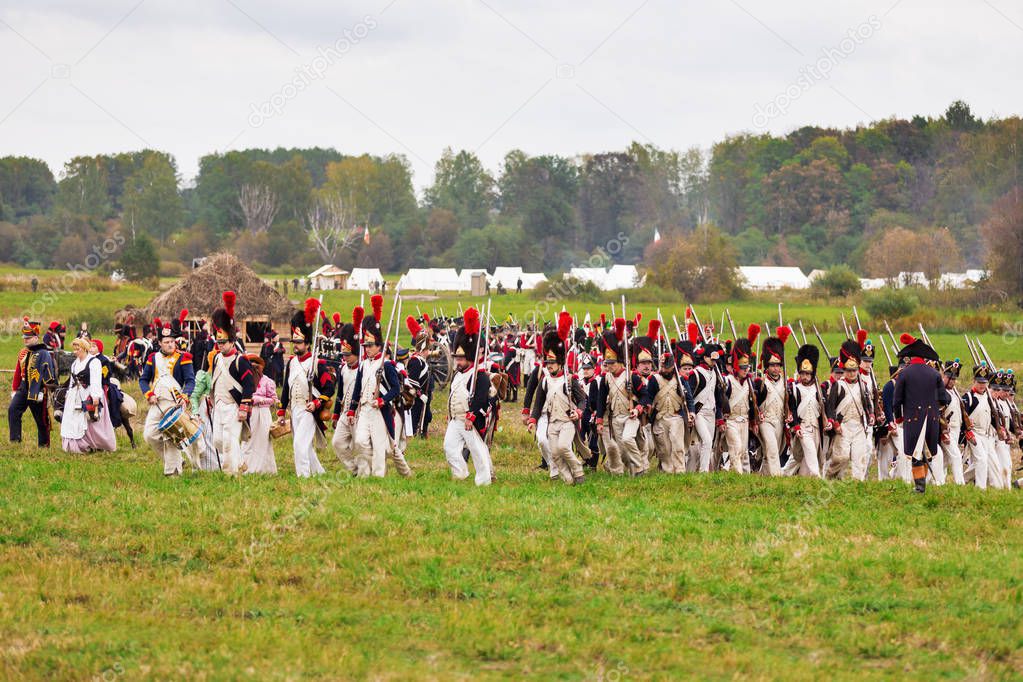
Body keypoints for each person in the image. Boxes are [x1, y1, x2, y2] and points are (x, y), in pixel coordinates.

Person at [347, 295, 412, 478]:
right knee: (360, 442)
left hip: (379, 411)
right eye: (365, 345)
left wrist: (383, 400)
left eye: (370, 345)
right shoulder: (363, 364)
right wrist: (352, 410)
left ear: (379, 345)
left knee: (379, 446)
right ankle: (366, 472)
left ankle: (377, 477)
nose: (367, 349)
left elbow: (396, 389)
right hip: (365, 409)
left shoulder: (387, 365)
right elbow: (357, 389)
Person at [527, 312, 588, 485]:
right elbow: (538, 404)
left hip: (567, 421)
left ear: (560, 362)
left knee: (562, 447)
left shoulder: (570, 380)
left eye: (552, 362)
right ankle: (567, 478)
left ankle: (578, 470)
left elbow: (583, 400)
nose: (549, 365)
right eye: (547, 363)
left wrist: (578, 412)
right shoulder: (545, 381)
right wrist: (532, 419)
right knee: (554, 453)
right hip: (552, 422)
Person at [279, 299, 336, 477]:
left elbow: (329, 387)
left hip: (309, 410)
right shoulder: (291, 363)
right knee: (303, 443)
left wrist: (318, 403)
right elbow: (287, 389)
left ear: (307, 343)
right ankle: (318, 473)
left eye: (299, 341)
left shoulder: (317, 363)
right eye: (294, 341)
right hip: (294, 409)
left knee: (299, 444)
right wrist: (281, 411)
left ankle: (303, 476)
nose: (295, 344)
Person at [443, 307, 493, 485]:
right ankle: (460, 474)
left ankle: (484, 480)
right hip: (456, 419)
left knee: (478, 452)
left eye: (461, 358)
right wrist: (449, 412)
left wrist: (471, 416)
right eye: (456, 357)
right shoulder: (457, 374)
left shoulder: (479, 375)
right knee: (449, 448)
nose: (457, 360)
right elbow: (452, 394)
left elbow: (481, 398)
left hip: (470, 419)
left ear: (470, 357)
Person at [140, 317, 196, 476]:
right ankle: (178, 461)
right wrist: (149, 394)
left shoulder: (183, 358)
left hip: (175, 403)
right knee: (149, 435)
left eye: (172, 341)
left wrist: (185, 396)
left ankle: (173, 472)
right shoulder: (152, 358)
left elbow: (190, 381)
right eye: (167, 342)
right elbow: (144, 380)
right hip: (156, 402)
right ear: (160, 343)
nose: (171, 344)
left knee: (171, 437)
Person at [209, 293, 255, 476]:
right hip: (219, 405)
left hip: (234, 407)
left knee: (229, 442)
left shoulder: (240, 361)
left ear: (231, 340)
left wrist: (244, 406)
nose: (220, 345)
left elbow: (249, 384)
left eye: (223, 341)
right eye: (218, 341)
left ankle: (231, 474)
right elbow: (215, 379)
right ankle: (241, 461)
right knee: (218, 441)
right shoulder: (216, 358)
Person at [595, 318, 646, 476]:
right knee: (622, 451)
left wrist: (637, 409)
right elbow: (601, 400)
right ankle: (632, 472)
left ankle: (640, 468)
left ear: (620, 361)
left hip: (630, 416)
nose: (608, 366)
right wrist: (599, 420)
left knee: (627, 440)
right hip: (615, 418)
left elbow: (644, 396)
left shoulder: (632, 377)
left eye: (612, 363)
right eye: (607, 363)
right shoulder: (605, 378)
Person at [824, 340, 876, 480]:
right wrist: (835, 423)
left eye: (854, 370)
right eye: (848, 370)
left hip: (859, 425)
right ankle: (829, 476)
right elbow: (830, 406)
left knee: (859, 459)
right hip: (843, 425)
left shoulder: (863, 385)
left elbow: (867, 404)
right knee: (841, 458)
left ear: (857, 370)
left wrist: (871, 414)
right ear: (844, 371)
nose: (851, 373)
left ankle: (858, 485)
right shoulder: (838, 386)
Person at [644, 341, 696, 474]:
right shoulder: (654, 379)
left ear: (673, 366)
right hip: (660, 417)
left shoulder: (681, 380)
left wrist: (691, 412)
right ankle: (667, 471)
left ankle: (679, 470)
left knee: (677, 445)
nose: (665, 369)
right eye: (663, 367)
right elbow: (648, 397)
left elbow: (688, 398)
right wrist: (647, 407)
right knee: (664, 449)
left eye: (668, 367)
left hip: (676, 416)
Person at [61, 337, 117, 453]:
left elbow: (96, 380)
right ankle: (78, 445)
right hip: (75, 394)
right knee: (73, 419)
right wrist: (68, 393)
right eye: (74, 349)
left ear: (84, 349)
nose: (75, 352)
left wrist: (95, 396)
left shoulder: (94, 362)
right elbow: (72, 380)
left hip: (89, 393)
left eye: (78, 349)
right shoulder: (75, 363)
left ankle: (95, 444)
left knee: (90, 421)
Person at [9, 318, 58, 447]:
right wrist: (15, 389)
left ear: (36, 337)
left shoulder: (44, 353)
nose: (26, 339)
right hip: (23, 387)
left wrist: (46, 389)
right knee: (13, 410)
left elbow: (49, 373)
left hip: (38, 388)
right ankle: (15, 440)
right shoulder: (22, 353)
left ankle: (44, 444)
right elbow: (18, 372)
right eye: (25, 337)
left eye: (29, 337)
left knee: (41, 419)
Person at [753, 327, 791, 476]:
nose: (775, 368)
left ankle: (764, 476)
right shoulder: (760, 382)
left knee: (772, 451)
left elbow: (791, 404)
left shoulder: (787, 383)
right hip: (766, 420)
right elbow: (754, 404)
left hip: (779, 421)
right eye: (772, 365)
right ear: (767, 366)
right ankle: (777, 479)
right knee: (772, 449)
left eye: (778, 365)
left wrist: (789, 413)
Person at [721, 327, 758, 474]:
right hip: (731, 420)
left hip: (745, 420)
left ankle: (739, 474)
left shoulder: (749, 382)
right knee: (736, 447)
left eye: (747, 367)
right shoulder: (727, 381)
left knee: (743, 451)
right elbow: (722, 401)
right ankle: (737, 476)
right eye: (742, 367)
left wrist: (754, 422)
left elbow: (752, 404)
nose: (745, 370)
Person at [331, 309, 363, 474]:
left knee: (360, 445)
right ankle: (354, 469)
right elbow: (340, 394)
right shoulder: (342, 369)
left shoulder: (364, 369)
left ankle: (367, 471)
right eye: (344, 354)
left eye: (348, 354)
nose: (345, 357)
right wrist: (336, 414)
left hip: (359, 413)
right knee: (337, 442)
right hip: (345, 412)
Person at [786, 343, 825, 478]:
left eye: (808, 373)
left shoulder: (819, 389)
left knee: (803, 458)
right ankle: (817, 476)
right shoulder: (795, 389)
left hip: (815, 427)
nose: (805, 376)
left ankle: (788, 474)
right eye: (802, 373)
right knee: (810, 452)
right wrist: (796, 425)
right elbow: (794, 409)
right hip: (802, 427)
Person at [962, 362, 1001, 489]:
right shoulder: (968, 397)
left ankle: (962, 480)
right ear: (974, 380)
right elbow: (963, 417)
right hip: (974, 433)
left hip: (986, 435)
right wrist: (967, 431)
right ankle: (981, 488)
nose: (982, 385)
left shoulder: (988, 397)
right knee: (982, 460)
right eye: (979, 382)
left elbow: (991, 418)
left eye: (984, 383)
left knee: (984, 460)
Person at [242, 354, 277, 475]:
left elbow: (273, 399)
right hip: (250, 412)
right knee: (248, 439)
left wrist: (260, 400)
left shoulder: (268, 381)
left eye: (256, 366)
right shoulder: (245, 380)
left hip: (263, 412)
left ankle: (264, 468)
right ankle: (246, 466)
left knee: (263, 439)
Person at [936, 359, 967, 485]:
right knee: (956, 456)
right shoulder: (941, 392)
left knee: (945, 459)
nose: (952, 381)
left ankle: (931, 479)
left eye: (954, 379)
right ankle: (960, 484)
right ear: (943, 376)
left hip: (955, 430)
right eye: (949, 378)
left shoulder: (954, 393)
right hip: (946, 430)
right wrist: (943, 431)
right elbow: (939, 413)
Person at [405, 314, 434, 438]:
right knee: (415, 417)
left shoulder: (421, 360)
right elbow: (412, 382)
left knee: (427, 416)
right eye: (427, 349)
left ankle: (423, 433)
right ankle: (414, 435)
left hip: (424, 395)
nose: (429, 351)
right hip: (416, 398)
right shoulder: (415, 361)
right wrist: (420, 394)